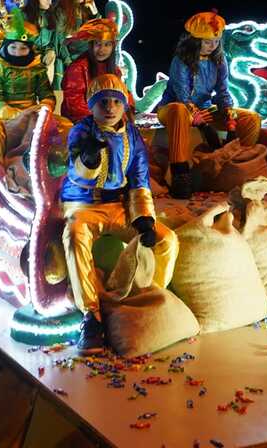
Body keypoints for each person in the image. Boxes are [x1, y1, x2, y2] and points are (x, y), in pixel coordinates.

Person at [61, 74, 178, 353]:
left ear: (124, 104)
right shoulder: (81, 130)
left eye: (116, 101)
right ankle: (91, 315)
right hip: (85, 205)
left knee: (168, 240)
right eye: (103, 102)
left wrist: (144, 218)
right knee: (74, 234)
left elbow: (139, 177)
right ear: (92, 105)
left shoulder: (132, 134)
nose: (110, 108)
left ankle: (149, 296)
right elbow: (72, 173)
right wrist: (86, 161)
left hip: (120, 207)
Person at [155, 11, 262, 197]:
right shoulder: (180, 60)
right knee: (181, 110)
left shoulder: (219, 60)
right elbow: (182, 95)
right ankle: (181, 175)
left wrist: (228, 110)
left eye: (216, 41)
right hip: (174, 109)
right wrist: (199, 120)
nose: (212, 46)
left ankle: (239, 163)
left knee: (250, 118)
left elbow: (222, 91)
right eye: (207, 42)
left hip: (204, 109)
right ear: (195, 40)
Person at [0, 9, 57, 167]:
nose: (18, 53)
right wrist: (16, 115)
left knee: (63, 127)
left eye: (23, 49)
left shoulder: (36, 68)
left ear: (30, 49)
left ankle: (45, 174)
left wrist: (44, 108)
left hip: (31, 110)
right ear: (6, 46)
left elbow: (46, 94)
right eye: (13, 48)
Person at [60, 18, 126, 122]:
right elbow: (75, 105)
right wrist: (101, 120)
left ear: (113, 46)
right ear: (91, 45)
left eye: (107, 45)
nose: (102, 50)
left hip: (107, 120)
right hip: (81, 124)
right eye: (98, 44)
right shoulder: (77, 68)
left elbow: (123, 98)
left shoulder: (115, 71)